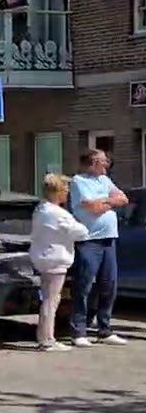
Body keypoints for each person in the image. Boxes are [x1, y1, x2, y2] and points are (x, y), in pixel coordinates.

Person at [68, 148, 129, 347]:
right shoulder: (78, 181)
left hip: (109, 240)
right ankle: (79, 331)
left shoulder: (104, 181)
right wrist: (110, 201)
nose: (107, 164)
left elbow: (124, 199)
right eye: (103, 161)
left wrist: (105, 201)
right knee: (84, 285)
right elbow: (90, 207)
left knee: (109, 285)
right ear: (93, 162)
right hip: (89, 241)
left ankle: (104, 328)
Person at [30, 173, 88, 352]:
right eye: (65, 191)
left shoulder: (41, 209)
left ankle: (46, 336)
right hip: (55, 259)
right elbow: (80, 231)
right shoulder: (57, 213)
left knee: (49, 299)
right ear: (57, 192)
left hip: (44, 257)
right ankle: (47, 339)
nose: (66, 194)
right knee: (51, 300)